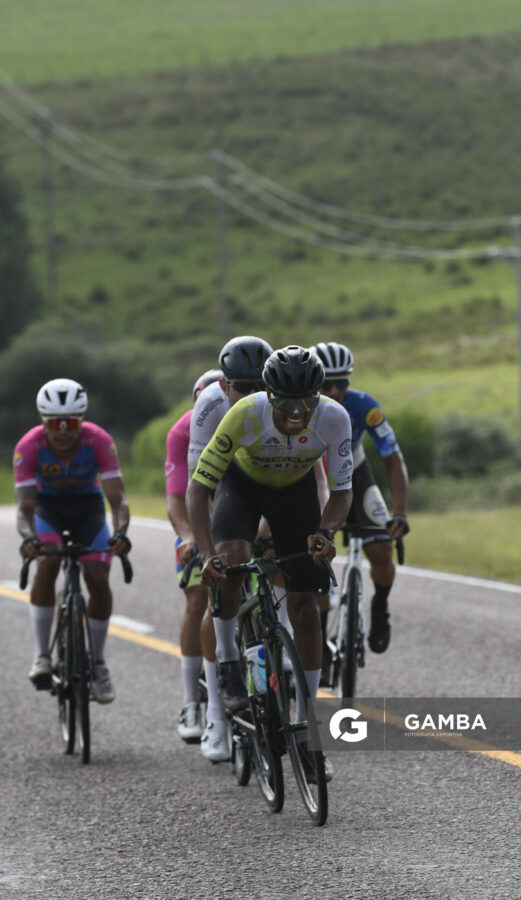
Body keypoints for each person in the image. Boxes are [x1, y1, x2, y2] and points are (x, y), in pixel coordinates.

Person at [186, 345, 353, 782]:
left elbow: (341, 490)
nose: (296, 414)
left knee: (305, 605)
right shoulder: (244, 413)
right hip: (241, 489)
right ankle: (226, 666)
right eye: (285, 405)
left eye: (306, 404)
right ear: (269, 397)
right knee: (231, 562)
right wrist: (207, 556)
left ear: (318, 398)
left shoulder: (334, 418)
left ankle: (309, 731)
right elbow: (199, 490)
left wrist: (326, 532)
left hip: (294, 494)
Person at [14, 378, 131, 703]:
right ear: (43, 420)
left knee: (97, 576)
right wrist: (29, 538)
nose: (63, 430)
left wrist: (120, 531)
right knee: (48, 561)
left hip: (87, 508)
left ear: (81, 420)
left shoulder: (98, 441)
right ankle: (42, 656)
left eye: (71, 423)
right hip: (47, 507)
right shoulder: (28, 446)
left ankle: (97, 662)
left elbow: (118, 499)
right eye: (55, 423)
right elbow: (24, 509)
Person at [187, 335, 274, 761]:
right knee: (226, 574)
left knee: (285, 559)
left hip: (274, 487)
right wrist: (207, 552)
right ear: (225, 387)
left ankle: (283, 642)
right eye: (243, 386)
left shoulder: (288, 404)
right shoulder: (208, 408)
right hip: (225, 485)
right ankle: (218, 707)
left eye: (261, 385)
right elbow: (200, 488)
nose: (253, 395)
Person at [310, 341, 409, 654]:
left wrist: (401, 511)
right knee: (315, 558)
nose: (336, 392)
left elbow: (393, 458)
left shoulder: (365, 405)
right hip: (315, 477)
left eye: (342, 384)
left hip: (356, 472)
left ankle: (380, 607)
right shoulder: (300, 408)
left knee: (381, 548)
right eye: (327, 385)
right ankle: (319, 636)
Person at [165, 368, 223, 743]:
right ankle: (190, 702)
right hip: (196, 517)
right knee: (197, 599)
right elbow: (176, 496)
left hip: (236, 514)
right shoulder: (183, 431)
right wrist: (187, 535)